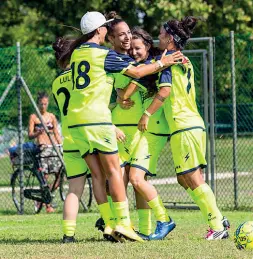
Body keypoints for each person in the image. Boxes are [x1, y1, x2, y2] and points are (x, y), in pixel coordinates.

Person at [59, 11, 183, 242]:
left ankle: (109, 224)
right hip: (96, 120)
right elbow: (137, 71)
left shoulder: (77, 53)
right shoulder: (102, 54)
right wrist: (162, 62)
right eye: (107, 27)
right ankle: (124, 223)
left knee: (98, 176)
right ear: (100, 31)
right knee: (115, 171)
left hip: (75, 124)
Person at [137, 16, 230, 240]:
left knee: (192, 176)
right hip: (190, 125)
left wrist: (147, 113)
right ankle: (217, 216)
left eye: (160, 34)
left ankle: (217, 225)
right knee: (183, 178)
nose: (157, 37)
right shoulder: (180, 59)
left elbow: (166, 91)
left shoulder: (169, 59)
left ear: (170, 38)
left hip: (184, 125)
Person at [115, 26, 175, 240]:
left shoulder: (159, 63)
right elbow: (126, 93)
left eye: (137, 48)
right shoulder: (145, 66)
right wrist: (119, 94)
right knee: (136, 179)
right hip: (146, 130)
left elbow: (165, 90)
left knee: (136, 178)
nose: (134, 52)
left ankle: (164, 220)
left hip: (155, 128)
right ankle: (148, 228)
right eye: (132, 49)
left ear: (148, 45)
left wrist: (146, 113)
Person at [52, 37, 91, 243]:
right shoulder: (82, 74)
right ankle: (110, 224)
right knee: (107, 181)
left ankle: (68, 235)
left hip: (69, 137)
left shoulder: (56, 82)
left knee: (74, 189)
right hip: (87, 134)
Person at [28, 91, 62, 213]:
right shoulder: (34, 117)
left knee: (59, 174)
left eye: (45, 104)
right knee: (45, 177)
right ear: (38, 104)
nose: (43, 106)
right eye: (41, 104)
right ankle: (47, 204)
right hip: (42, 149)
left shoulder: (51, 116)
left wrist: (60, 145)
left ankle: (46, 198)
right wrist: (38, 132)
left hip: (53, 148)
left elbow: (57, 133)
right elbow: (30, 135)